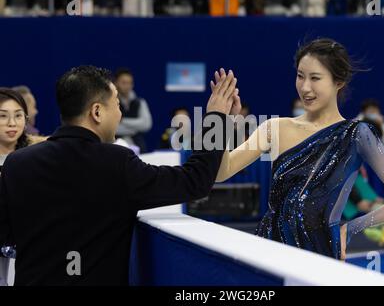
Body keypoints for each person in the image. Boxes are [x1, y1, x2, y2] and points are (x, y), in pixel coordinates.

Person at [0, 65, 239, 285]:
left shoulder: (17, 164)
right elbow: (195, 180)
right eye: (116, 105)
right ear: (96, 111)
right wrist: (217, 119)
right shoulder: (117, 163)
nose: (120, 114)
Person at [214, 38, 384, 260]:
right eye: (300, 76)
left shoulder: (357, 135)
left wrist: (349, 229)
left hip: (321, 253)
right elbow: (221, 172)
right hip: (271, 249)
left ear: (338, 81)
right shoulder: (274, 128)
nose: (305, 87)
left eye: (315, 78)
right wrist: (222, 121)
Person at [0, 88, 46, 286]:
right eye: (3, 116)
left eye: (18, 116)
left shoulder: (40, 153)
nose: (12, 123)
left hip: (31, 246)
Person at [114, 68, 152, 153]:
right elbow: (112, 127)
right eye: (123, 83)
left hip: (139, 146)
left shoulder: (140, 102)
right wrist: (135, 129)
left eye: (130, 83)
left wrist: (122, 120)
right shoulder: (111, 102)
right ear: (116, 83)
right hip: (115, 146)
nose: (127, 86)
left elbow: (146, 124)